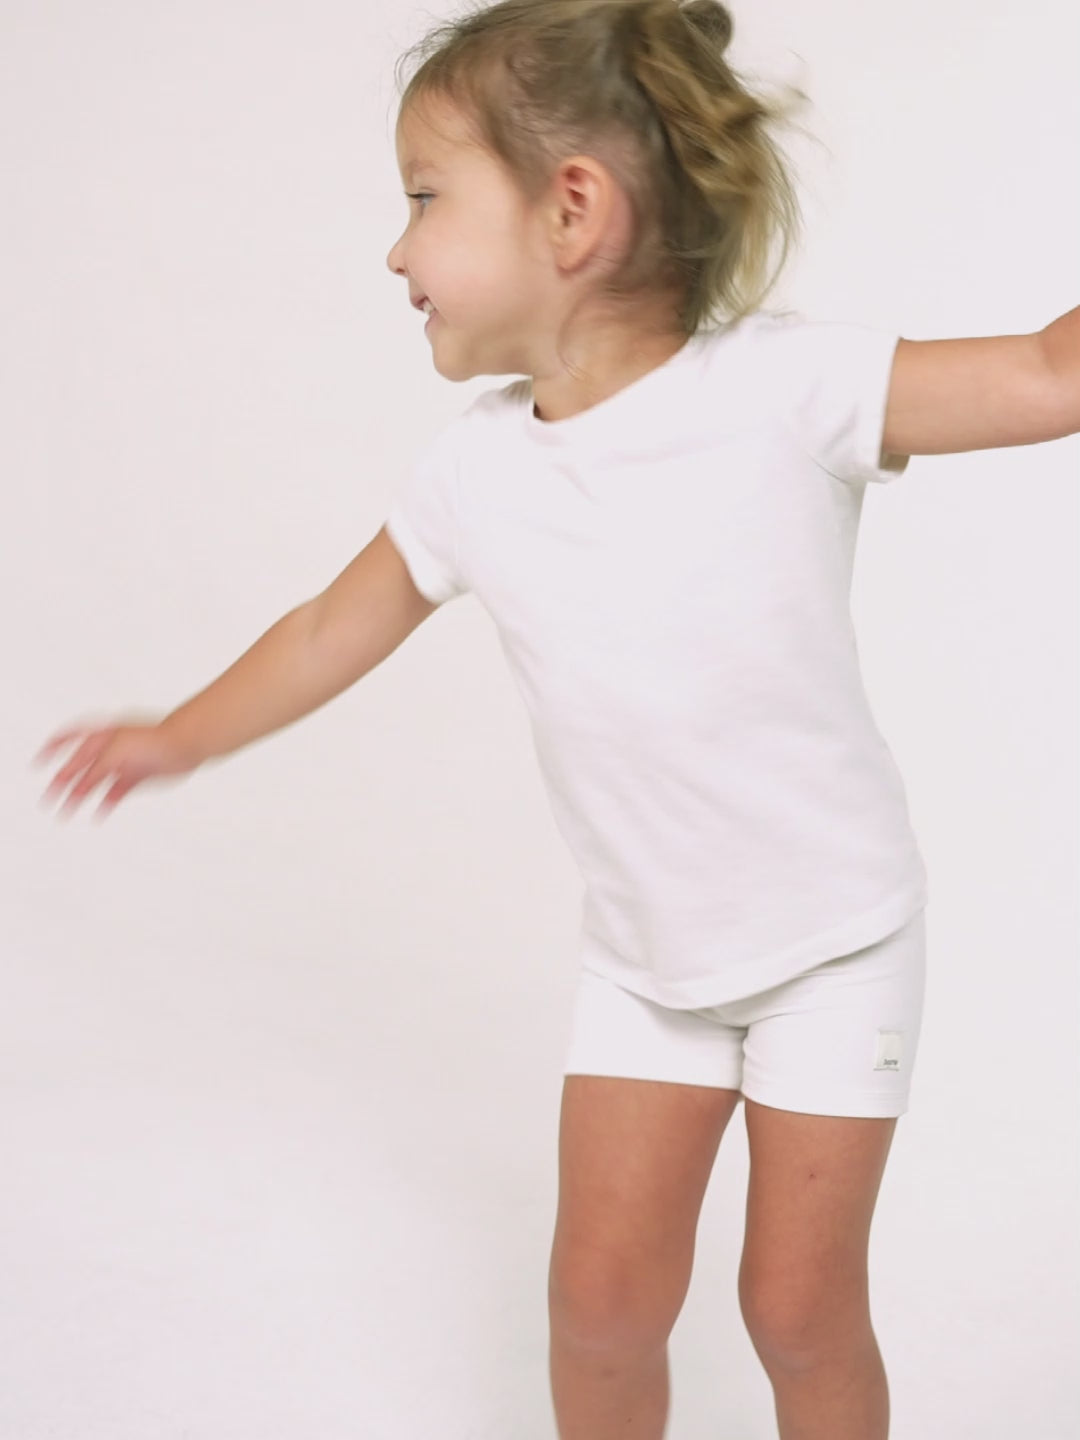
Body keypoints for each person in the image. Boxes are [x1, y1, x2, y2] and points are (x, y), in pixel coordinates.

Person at [32, 2, 1079, 1437]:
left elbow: (1047, 376)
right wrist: (181, 735)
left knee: (796, 1309)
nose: (395, 250)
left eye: (424, 198)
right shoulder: (475, 477)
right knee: (597, 1309)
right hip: (647, 961)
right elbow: (333, 626)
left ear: (572, 210)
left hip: (834, 947)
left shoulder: (785, 390)